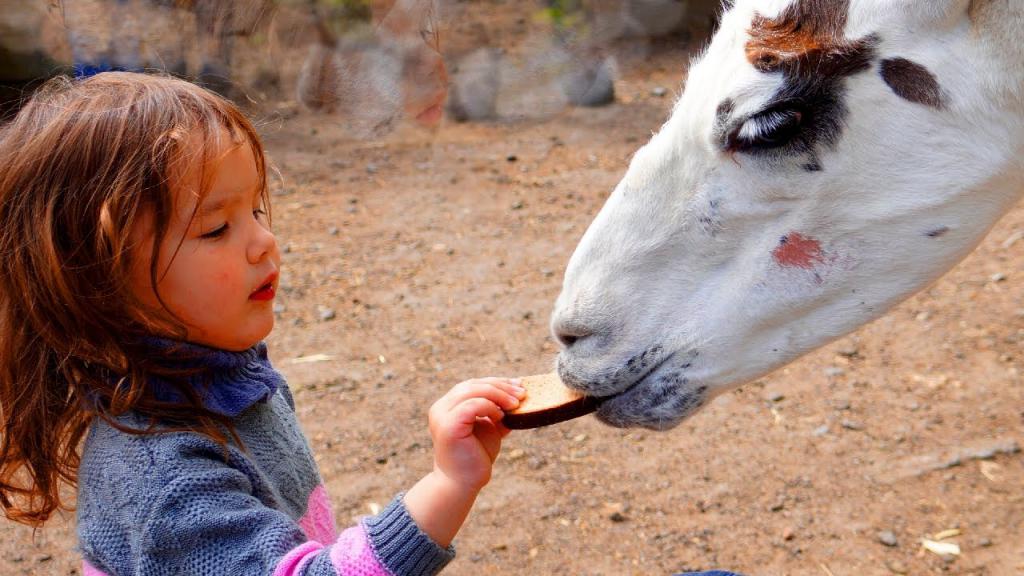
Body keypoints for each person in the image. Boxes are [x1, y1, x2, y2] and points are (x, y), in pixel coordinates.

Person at [0, 71, 524, 575]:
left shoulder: (222, 379)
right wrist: (448, 484)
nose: (264, 242)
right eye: (215, 228)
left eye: (256, 210)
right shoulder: (165, 481)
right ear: (99, 280)